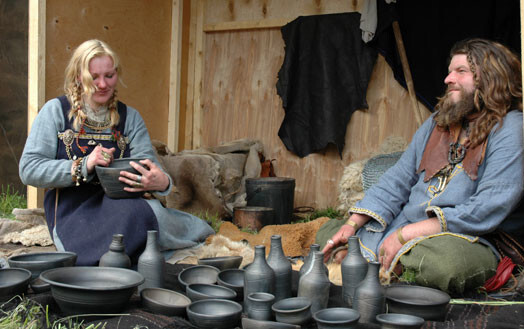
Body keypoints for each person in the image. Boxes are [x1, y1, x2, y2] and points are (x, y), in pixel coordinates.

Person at [322, 38, 523, 290]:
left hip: (467, 236)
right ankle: (383, 260)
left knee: (442, 264)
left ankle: (386, 262)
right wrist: (352, 224)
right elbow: (398, 180)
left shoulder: (511, 127)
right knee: (331, 234)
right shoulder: (439, 122)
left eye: (461, 71)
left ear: (492, 77)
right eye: (450, 71)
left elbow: (489, 206)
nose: (448, 79)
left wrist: (406, 235)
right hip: (407, 225)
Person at [19, 39, 215, 266]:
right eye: (94, 77)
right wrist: (84, 165)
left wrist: (161, 182)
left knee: (147, 213)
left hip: (123, 205)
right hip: (74, 210)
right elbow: (29, 169)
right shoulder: (55, 112)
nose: (102, 84)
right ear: (77, 77)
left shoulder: (130, 117)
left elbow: (150, 167)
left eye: (109, 76)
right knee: (135, 229)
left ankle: (132, 250)